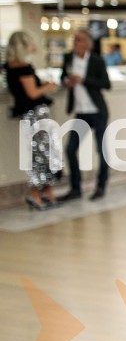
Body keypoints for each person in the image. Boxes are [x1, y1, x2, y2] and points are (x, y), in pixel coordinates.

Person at [4, 31, 61, 210]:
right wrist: (48, 86)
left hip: (29, 116)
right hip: (35, 115)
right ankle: (36, 193)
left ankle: (44, 191)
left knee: (42, 154)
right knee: (41, 155)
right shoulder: (22, 68)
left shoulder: (9, 67)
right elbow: (32, 93)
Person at [60, 28, 112, 202]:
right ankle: (76, 188)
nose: (76, 43)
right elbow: (63, 77)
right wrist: (67, 82)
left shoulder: (96, 61)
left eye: (79, 40)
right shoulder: (68, 59)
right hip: (80, 112)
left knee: (101, 150)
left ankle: (101, 186)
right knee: (70, 149)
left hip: (97, 111)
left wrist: (84, 80)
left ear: (87, 44)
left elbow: (106, 84)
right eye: (74, 40)